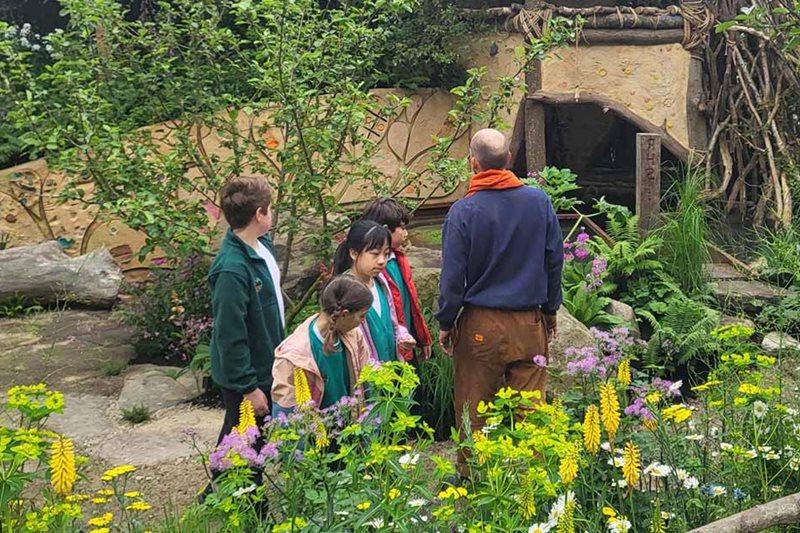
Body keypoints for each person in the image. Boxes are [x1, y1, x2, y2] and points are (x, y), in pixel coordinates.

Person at [436, 128, 564, 475]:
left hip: (481, 326)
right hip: (529, 322)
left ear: (472, 164)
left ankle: (472, 483)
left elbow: (452, 277)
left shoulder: (463, 212)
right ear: (509, 160)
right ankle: (533, 483)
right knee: (530, 411)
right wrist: (550, 310)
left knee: (474, 411)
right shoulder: (539, 202)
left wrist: (446, 322)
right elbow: (554, 261)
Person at [208, 175, 286, 448]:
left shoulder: (262, 245)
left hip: (267, 364)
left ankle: (234, 490)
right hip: (247, 375)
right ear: (259, 214)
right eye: (270, 207)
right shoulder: (232, 269)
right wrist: (249, 387)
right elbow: (229, 335)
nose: (272, 212)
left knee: (253, 445)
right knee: (242, 448)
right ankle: (217, 492)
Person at [271, 275, 374, 414]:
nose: (363, 321)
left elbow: (369, 384)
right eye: (362, 316)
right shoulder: (292, 357)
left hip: (354, 430)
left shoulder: (354, 336)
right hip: (316, 432)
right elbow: (284, 416)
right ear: (344, 314)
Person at [332, 219, 416, 362]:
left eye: (386, 254)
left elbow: (393, 322)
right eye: (375, 254)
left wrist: (402, 336)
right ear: (353, 253)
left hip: (390, 369)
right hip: (367, 376)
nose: (382, 260)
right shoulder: (344, 292)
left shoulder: (381, 281)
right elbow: (349, 345)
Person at [361, 198, 433, 361]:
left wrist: (422, 336)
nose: (406, 233)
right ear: (386, 230)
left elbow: (412, 303)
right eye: (402, 227)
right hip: (381, 351)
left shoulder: (398, 258)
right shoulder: (370, 268)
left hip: (406, 340)